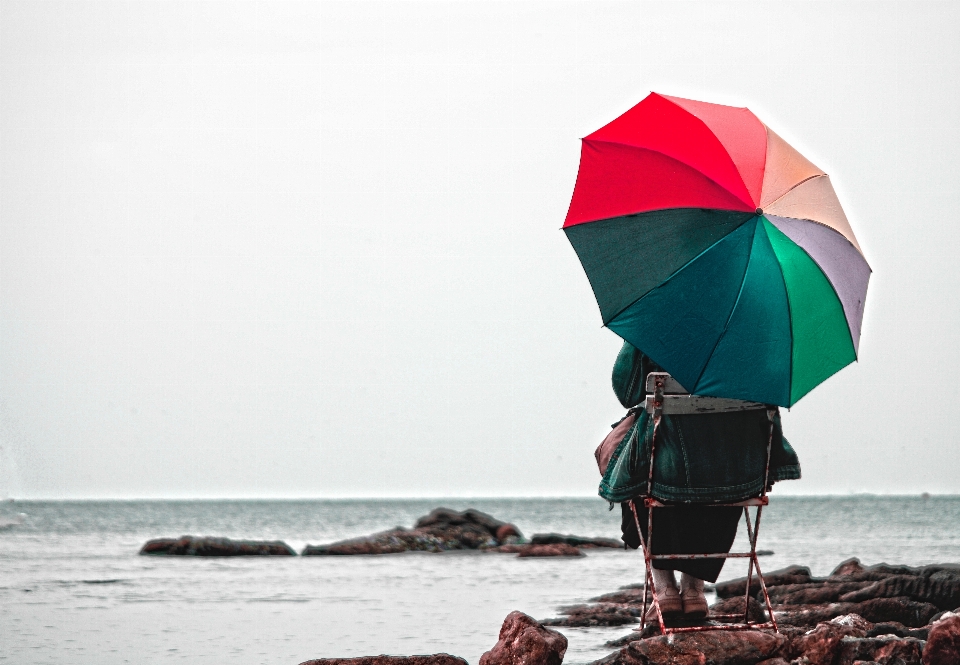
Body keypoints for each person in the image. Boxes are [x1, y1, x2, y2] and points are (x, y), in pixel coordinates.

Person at [602, 341, 802, 619]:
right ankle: (694, 593)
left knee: (634, 471)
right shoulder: (754, 331)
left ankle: (666, 592)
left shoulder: (657, 324)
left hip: (667, 473)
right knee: (714, 466)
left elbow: (626, 392)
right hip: (737, 475)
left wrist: (634, 343)